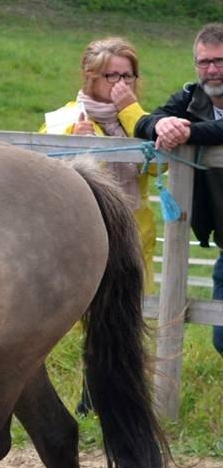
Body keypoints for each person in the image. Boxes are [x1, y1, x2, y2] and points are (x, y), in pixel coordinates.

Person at [43, 36, 156, 414]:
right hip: (81, 237)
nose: (120, 84)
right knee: (85, 318)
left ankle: (119, 401)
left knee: (127, 320)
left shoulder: (140, 120)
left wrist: (130, 113)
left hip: (133, 236)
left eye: (128, 75)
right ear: (91, 77)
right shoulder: (62, 120)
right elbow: (41, 169)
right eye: (111, 75)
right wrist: (77, 148)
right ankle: (87, 399)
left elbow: (160, 165)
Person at [134, 22, 223, 354]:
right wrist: (162, 123)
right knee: (222, 338)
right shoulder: (191, 97)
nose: (212, 70)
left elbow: (217, 130)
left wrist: (188, 133)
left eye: (219, 61)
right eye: (204, 62)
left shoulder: (196, 116)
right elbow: (146, 121)